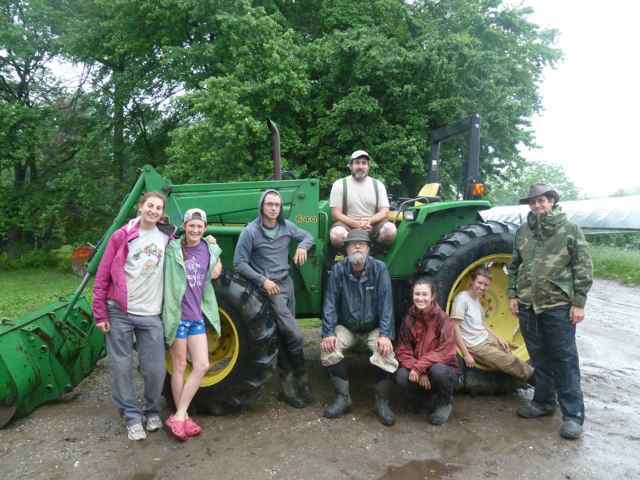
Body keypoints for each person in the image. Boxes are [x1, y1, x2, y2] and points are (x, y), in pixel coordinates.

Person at [508, 183, 593, 440]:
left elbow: (583, 266)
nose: (537, 205)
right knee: (539, 356)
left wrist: (579, 302)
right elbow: (514, 266)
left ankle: (573, 416)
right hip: (528, 305)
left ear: (552, 201)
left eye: (542, 200)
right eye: (533, 202)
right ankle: (544, 402)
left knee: (564, 359)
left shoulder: (569, 229)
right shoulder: (523, 231)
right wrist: (513, 294)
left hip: (557, 305)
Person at [92, 191, 175, 441]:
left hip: (151, 314)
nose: (153, 210)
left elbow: (192, 242)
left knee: (155, 369)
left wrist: (211, 246)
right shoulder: (121, 236)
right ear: (140, 207)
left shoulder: (166, 236)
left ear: (162, 213)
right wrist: (100, 313)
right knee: (121, 367)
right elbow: (103, 274)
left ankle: (151, 410)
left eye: (158, 208)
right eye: (150, 205)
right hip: (120, 312)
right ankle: (131, 416)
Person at [233, 189, 315, 408]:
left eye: (277, 205)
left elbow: (309, 236)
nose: (273, 208)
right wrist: (263, 281)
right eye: (269, 204)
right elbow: (239, 263)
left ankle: (293, 387)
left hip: (286, 284)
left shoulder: (286, 227)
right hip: (271, 289)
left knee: (285, 335)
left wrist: (302, 246)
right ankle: (299, 381)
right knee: (295, 335)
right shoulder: (250, 231)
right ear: (262, 206)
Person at [320, 229, 398, 426]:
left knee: (386, 352)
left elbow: (386, 304)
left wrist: (386, 334)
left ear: (368, 249)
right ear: (346, 249)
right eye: (352, 243)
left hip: (373, 328)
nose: (357, 246)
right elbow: (329, 303)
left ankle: (382, 401)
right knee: (328, 348)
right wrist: (328, 332)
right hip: (347, 327)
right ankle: (343, 398)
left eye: (361, 244)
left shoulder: (379, 269)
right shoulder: (338, 270)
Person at [162, 208, 222, 441]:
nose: (195, 229)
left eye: (199, 226)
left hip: (196, 316)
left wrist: (215, 250)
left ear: (204, 228)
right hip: (177, 316)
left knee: (202, 364)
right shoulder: (173, 249)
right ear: (184, 226)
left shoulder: (208, 249)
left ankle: (178, 415)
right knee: (178, 366)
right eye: (191, 225)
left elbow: (216, 272)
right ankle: (182, 418)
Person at [452, 267, 534, 383]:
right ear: (472, 281)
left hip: (485, 337)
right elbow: (454, 327)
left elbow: (481, 323)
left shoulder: (476, 298)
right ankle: (539, 382)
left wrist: (498, 338)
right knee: (509, 360)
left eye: (486, 285)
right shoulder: (462, 299)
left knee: (508, 351)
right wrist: (466, 354)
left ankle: (532, 377)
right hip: (476, 344)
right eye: (479, 283)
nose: (482, 287)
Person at [395, 279, 459, 426]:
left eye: (425, 294)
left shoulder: (443, 319)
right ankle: (426, 400)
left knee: (439, 371)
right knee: (402, 376)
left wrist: (419, 367)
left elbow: (446, 351)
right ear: (412, 296)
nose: (420, 298)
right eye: (417, 294)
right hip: (421, 369)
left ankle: (445, 403)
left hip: (442, 367)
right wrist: (419, 370)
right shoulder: (408, 319)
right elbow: (403, 349)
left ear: (432, 296)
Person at [329, 150, 396, 249]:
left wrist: (369, 222)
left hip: (373, 225)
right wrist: (355, 224)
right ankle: (346, 257)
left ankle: (376, 251)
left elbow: (385, 211)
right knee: (336, 235)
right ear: (350, 166)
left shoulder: (378, 185)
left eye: (364, 163)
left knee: (390, 230)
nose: (360, 166)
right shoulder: (339, 184)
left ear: (368, 167)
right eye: (357, 163)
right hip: (348, 226)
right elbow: (336, 214)